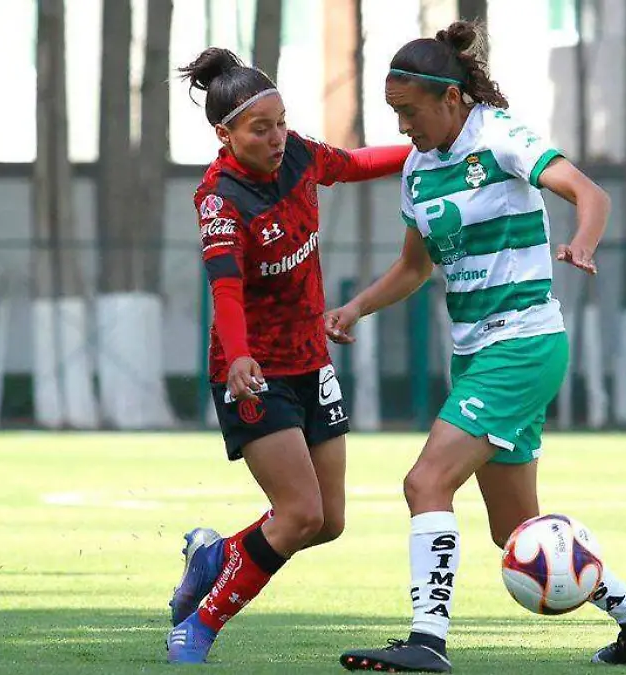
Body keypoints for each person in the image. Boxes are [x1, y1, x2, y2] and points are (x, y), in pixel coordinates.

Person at [326, 22, 626, 671]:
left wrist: (583, 241)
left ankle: (427, 641)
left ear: (452, 99)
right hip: (478, 355)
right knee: (514, 531)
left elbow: (590, 193)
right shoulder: (416, 171)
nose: (404, 126)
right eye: (395, 114)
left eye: (410, 112)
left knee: (424, 481)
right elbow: (415, 266)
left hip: (521, 345)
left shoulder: (499, 136)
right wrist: (357, 306)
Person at [164, 48, 410, 665]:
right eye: (260, 128)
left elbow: (352, 164)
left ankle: (214, 555)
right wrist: (241, 356)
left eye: (280, 121)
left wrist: (430, 146)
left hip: (311, 362)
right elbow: (226, 288)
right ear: (225, 135)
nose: (277, 137)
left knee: (327, 522)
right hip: (254, 373)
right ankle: (200, 626)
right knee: (298, 514)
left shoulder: (296, 153)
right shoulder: (219, 198)